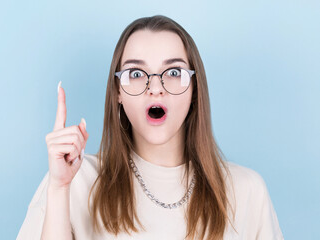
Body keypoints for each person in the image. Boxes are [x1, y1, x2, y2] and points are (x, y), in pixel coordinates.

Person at [17, 15, 284, 240]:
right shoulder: (73, 180)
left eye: (174, 72)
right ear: (117, 93)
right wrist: (59, 188)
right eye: (135, 74)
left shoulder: (247, 191)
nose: (155, 88)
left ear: (194, 90)